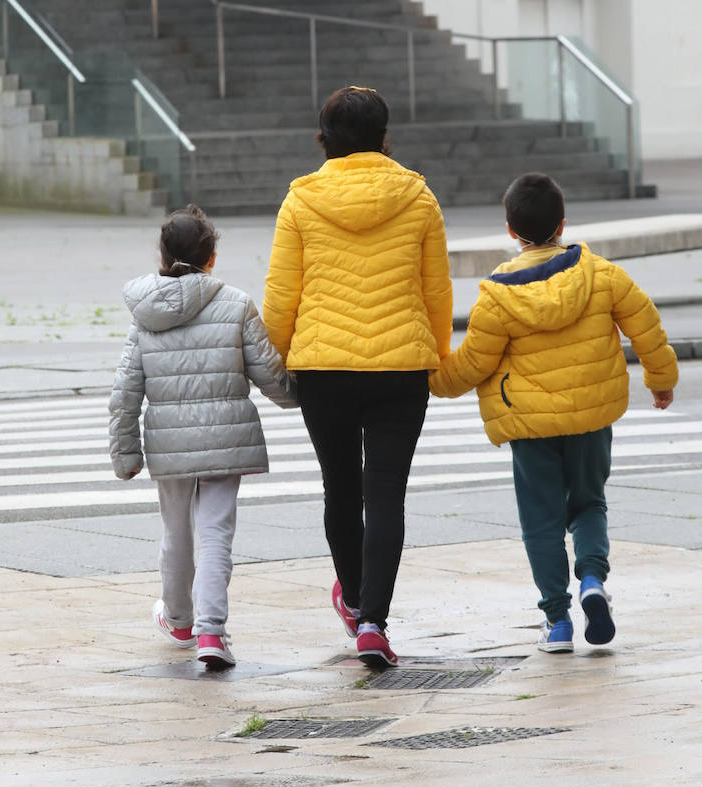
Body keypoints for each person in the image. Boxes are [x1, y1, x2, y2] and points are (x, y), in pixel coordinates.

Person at [429, 171, 678, 653]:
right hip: (591, 416)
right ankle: (592, 580)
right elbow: (646, 325)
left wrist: (428, 379)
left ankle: (558, 622)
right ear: (563, 223)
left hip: (530, 426)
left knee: (541, 520)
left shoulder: (498, 297)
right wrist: (661, 380)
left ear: (510, 230)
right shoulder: (602, 274)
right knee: (588, 503)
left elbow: (472, 365)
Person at [263, 86, 453, 669]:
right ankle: (374, 620)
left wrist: (278, 364)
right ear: (383, 137)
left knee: (340, 488)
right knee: (386, 493)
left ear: (324, 139)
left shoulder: (301, 202)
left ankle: (351, 599)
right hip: (400, 370)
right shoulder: (418, 198)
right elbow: (437, 292)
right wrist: (436, 357)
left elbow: (280, 298)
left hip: (324, 368)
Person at [108, 204, 296, 670]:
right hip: (227, 439)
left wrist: (125, 454)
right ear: (211, 257)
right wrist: (303, 396)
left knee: (176, 534)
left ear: (163, 254)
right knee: (215, 535)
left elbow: (125, 391)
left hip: (169, 445)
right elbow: (269, 373)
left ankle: (178, 619)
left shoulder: (144, 315)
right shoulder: (236, 303)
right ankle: (213, 633)